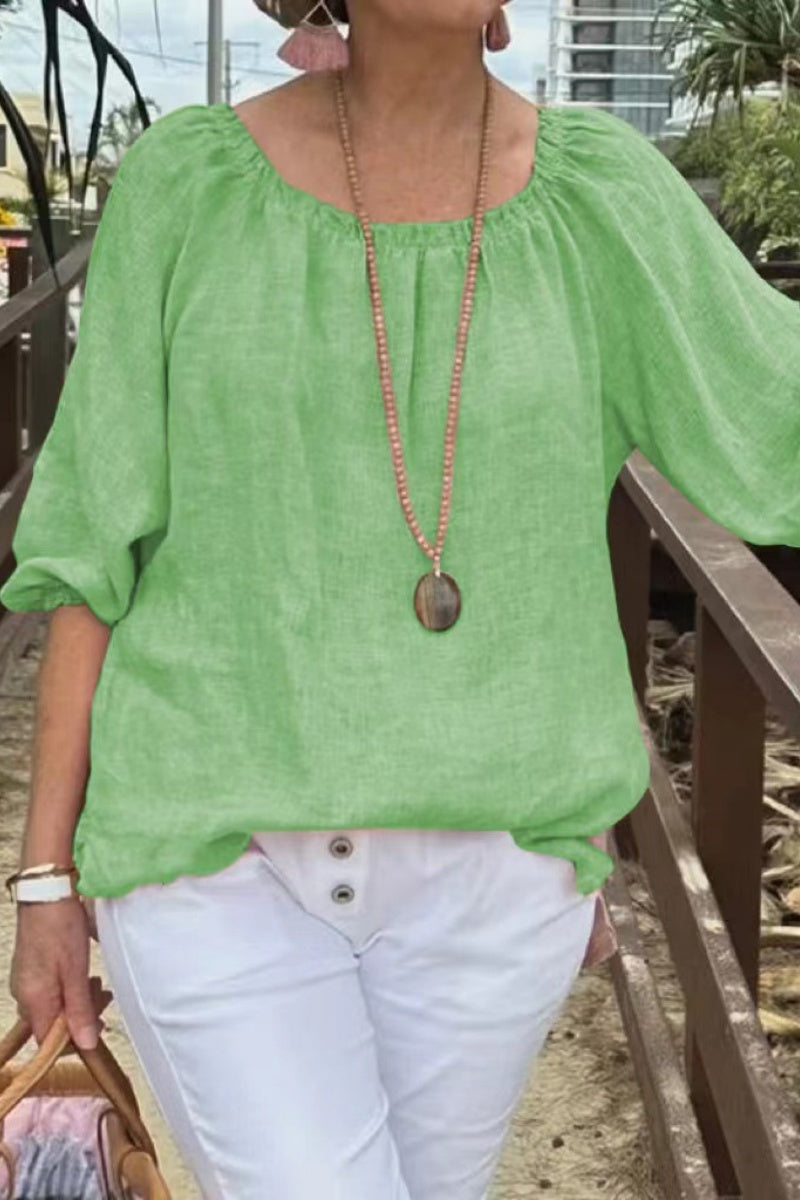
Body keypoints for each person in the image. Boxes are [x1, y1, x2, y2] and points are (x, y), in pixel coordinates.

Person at [2, 0, 800, 1196]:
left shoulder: (602, 199)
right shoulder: (188, 185)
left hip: (493, 890)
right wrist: (45, 882)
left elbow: (773, 419)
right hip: (212, 862)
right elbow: (84, 549)